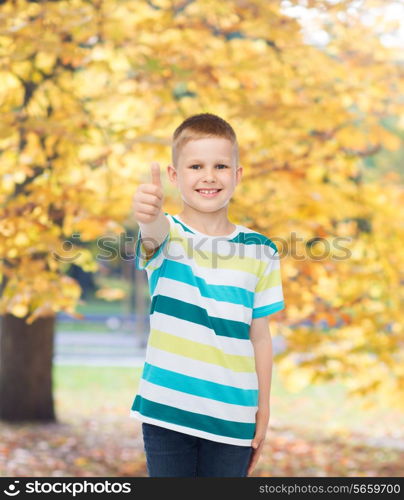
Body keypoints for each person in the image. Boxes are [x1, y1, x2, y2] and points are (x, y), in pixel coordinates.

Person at [131, 113, 285, 477]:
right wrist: (147, 214)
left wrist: (263, 408)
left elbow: (260, 337)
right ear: (174, 175)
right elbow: (152, 231)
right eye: (196, 166)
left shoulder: (261, 249)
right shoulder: (168, 235)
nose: (209, 176)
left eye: (220, 166)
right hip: (168, 410)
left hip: (234, 415)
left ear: (237, 174)